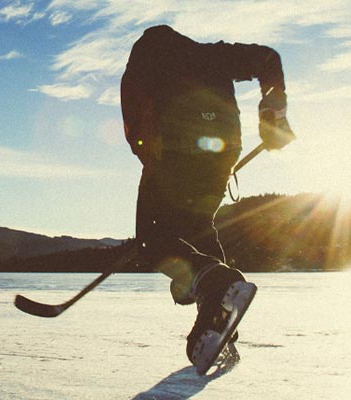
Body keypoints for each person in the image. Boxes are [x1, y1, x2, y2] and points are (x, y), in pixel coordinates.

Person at [120, 25, 295, 374]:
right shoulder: (210, 54)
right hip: (222, 152)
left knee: (153, 242)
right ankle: (215, 317)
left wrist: (151, 160)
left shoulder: (141, 69)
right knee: (197, 232)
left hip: (175, 153)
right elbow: (268, 59)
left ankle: (213, 285)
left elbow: (137, 126)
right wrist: (273, 116)